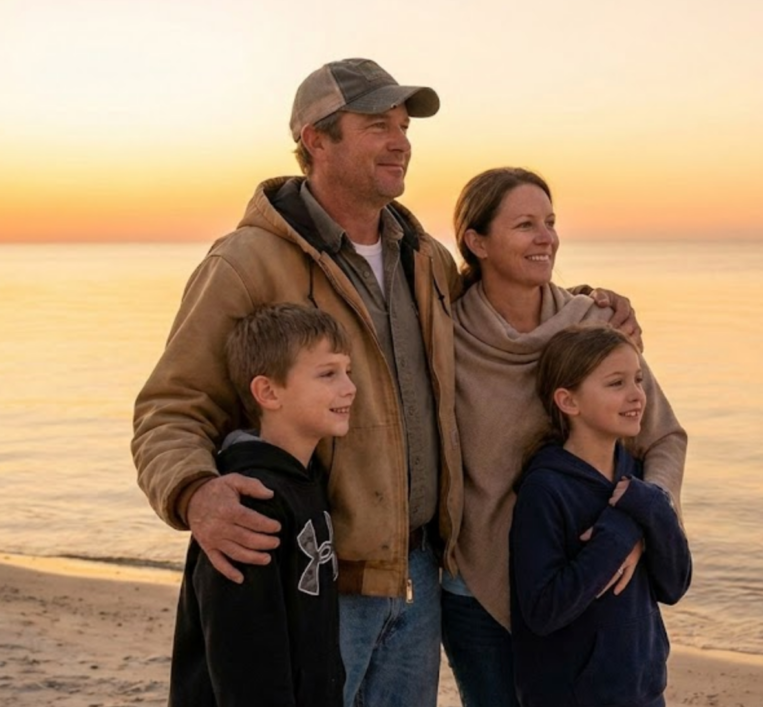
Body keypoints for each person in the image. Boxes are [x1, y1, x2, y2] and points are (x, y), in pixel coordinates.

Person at [133, 60, 635, 707]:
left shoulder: (422, 255)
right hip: (316, 580)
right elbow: (170, 406)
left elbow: (498, 311)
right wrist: (194, 492)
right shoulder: (245, 261)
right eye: (378, 126)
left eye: (403, 126)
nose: (401, 141)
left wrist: (588, 304)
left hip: (418, 580)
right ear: (317, 139)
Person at [443, 167, 687, 706]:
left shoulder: (593, 325)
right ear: (476, 241)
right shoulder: (442, 336)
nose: (546, 237)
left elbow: (663, 438)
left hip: (591, 579)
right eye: (525, 224)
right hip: (478, 594)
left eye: (550, 222)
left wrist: (648, 517)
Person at [168, 303, 354, 706]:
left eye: (347, 371)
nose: (350, 388)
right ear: (268, 391)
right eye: (328, 374)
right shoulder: (249, 505)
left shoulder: (307, 482)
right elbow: (243, 659)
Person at [511, 324, 692, 707]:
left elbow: (674, 585)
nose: (637, 396)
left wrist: (651, 506)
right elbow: (543, 610)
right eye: (616, 383)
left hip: (644, 691)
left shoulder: (638, 479)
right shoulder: (544, 489)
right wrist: (619, 529)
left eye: (638, 380)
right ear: (568, 401)